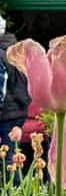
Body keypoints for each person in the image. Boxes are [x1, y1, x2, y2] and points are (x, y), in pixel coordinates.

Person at [0, 18, 30, 176]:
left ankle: (10, 195)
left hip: (5, 112)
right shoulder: (14, 51)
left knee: (9, 160)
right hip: (16, 112)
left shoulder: (1, 54)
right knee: (11, 158)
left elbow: (1, 89)